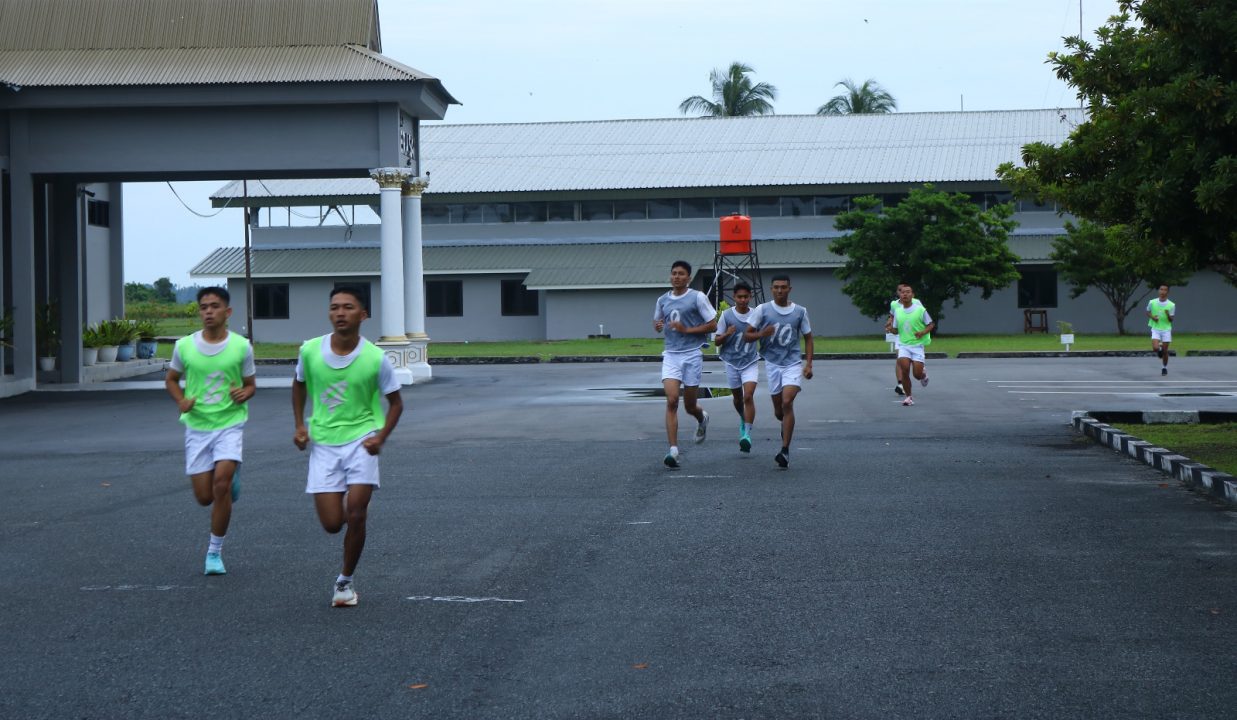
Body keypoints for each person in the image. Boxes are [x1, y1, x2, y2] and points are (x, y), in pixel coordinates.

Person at [292, 285, 404, 607]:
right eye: (335, 307)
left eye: (348, 307)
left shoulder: (374, 358)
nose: (340, 313)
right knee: (331, 524)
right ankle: (345, 502)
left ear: (363, 315)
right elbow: (298, 386)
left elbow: (396, 403)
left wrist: (380, 437)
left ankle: (345, 582)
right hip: (324, 443)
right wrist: (300, 425)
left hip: (361, 440)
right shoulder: (311, 351)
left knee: (356, 514)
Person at [164, 286, 256, 576]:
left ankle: (214, 553)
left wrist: (245, 393)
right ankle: (229, 481)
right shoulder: (185, 346)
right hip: (197, 427)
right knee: (204, 496)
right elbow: (171, 379)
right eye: (204, 307)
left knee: (221, 486)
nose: (208, 312)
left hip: (229, 424)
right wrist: (181, 400)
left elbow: (251, 383)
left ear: (227, 312)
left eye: (215, 306)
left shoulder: (241, 346)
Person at [743, 275, 813, 468]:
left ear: (790, 289)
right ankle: (784, 423)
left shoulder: (800, 311)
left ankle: (785, 450)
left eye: (783, 287)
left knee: (787, 401)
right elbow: (746, 335)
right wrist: (761, 334)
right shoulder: (762, 310)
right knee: (779, 411)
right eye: (776, 287)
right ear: (771, 289)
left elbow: (808, 337)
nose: (780, 291)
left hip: (791, 363)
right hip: (772, 363)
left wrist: (808, 364)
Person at [653, 260, 717, 468]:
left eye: (681, 274)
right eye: (674, 273)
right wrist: (659, 325)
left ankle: (701, 418)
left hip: (691, 354)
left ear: (688, 278)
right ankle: (673, 450)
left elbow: (713, 324)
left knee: (689, 405)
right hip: (671, 355)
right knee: (672, 400)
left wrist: (687, 330)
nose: (677, 277)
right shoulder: (662, 300)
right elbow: (658, 324)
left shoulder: (697, 297)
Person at [714, 282, 759, 452]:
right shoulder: (726, 316)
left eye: (746, 297)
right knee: (738, 398)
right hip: (732, 361)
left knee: (748, 396)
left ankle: (746, 434)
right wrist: (727, 333)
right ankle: (743, 418)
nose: (742, 300)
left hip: (750, 361)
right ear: (734, 298)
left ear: (750, 297)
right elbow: (716, 341)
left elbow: (762, 335)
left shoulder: (756, 315)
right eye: (739, 297)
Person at [885, 283, 935, 406]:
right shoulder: (897, 311)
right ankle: (908, 397)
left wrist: (922, 332)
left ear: (912, 295)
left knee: (917, 375)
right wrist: (890, 329)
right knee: (905, 368)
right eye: (902, 292)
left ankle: (923, 374)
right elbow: (896, 330)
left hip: (917, 345)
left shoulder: (920, 310)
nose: (905, 294)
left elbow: (931, 324)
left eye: (908, 292)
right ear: (899, 295)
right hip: (903, 345)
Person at [888, 284, 923, 396]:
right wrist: (889, 325)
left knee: (914, 364)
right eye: (900, 291)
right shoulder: (894, 304)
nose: (902, 293)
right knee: (900, 359)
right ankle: (901, 384)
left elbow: (922, 316)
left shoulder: (916, 302)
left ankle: (922, 371)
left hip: (914, 336)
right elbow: (892, 317)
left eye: (905, 291)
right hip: (901, 335)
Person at [1146, 284, 1176, 375]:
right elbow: (1147, 312)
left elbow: (1171, 320)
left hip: (1166, 329)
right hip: (1155, 328)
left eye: (1165, 290)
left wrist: (1167, 315)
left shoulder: (1171, 305)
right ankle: (1159, 349)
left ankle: (1164, 367)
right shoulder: (1152, 302)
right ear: (1159, 291)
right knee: (1155, 348)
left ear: (1167, 292)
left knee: (1165, 351)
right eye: (1161, 289)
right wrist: (1153, 317)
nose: (1162, 292)